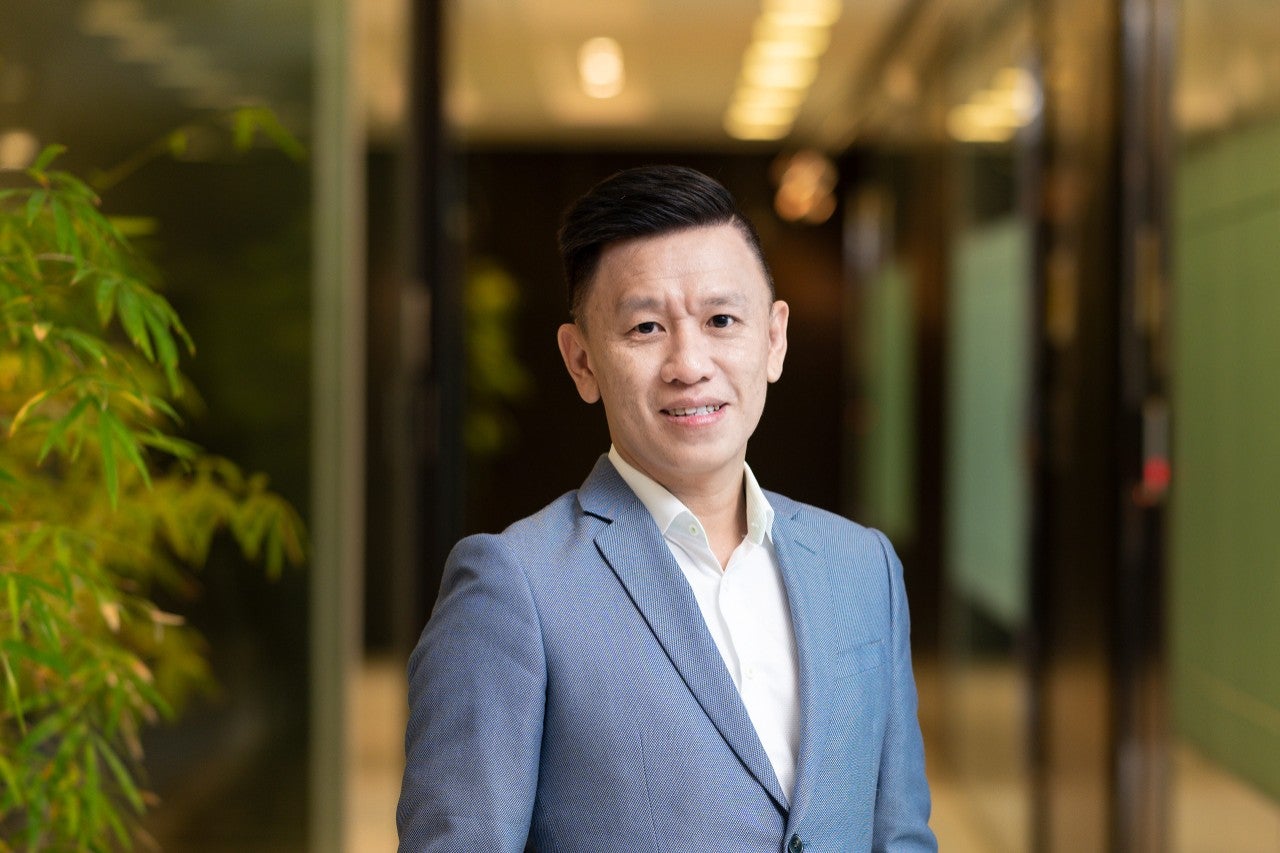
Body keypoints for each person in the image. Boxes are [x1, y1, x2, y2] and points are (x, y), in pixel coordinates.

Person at [397, 165, 936, 852]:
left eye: (721, 320)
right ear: (582, 361)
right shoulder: (513, 585)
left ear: (774, 339)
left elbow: (900, 834)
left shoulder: (863, 566)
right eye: (646, 327)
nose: (689, 364)